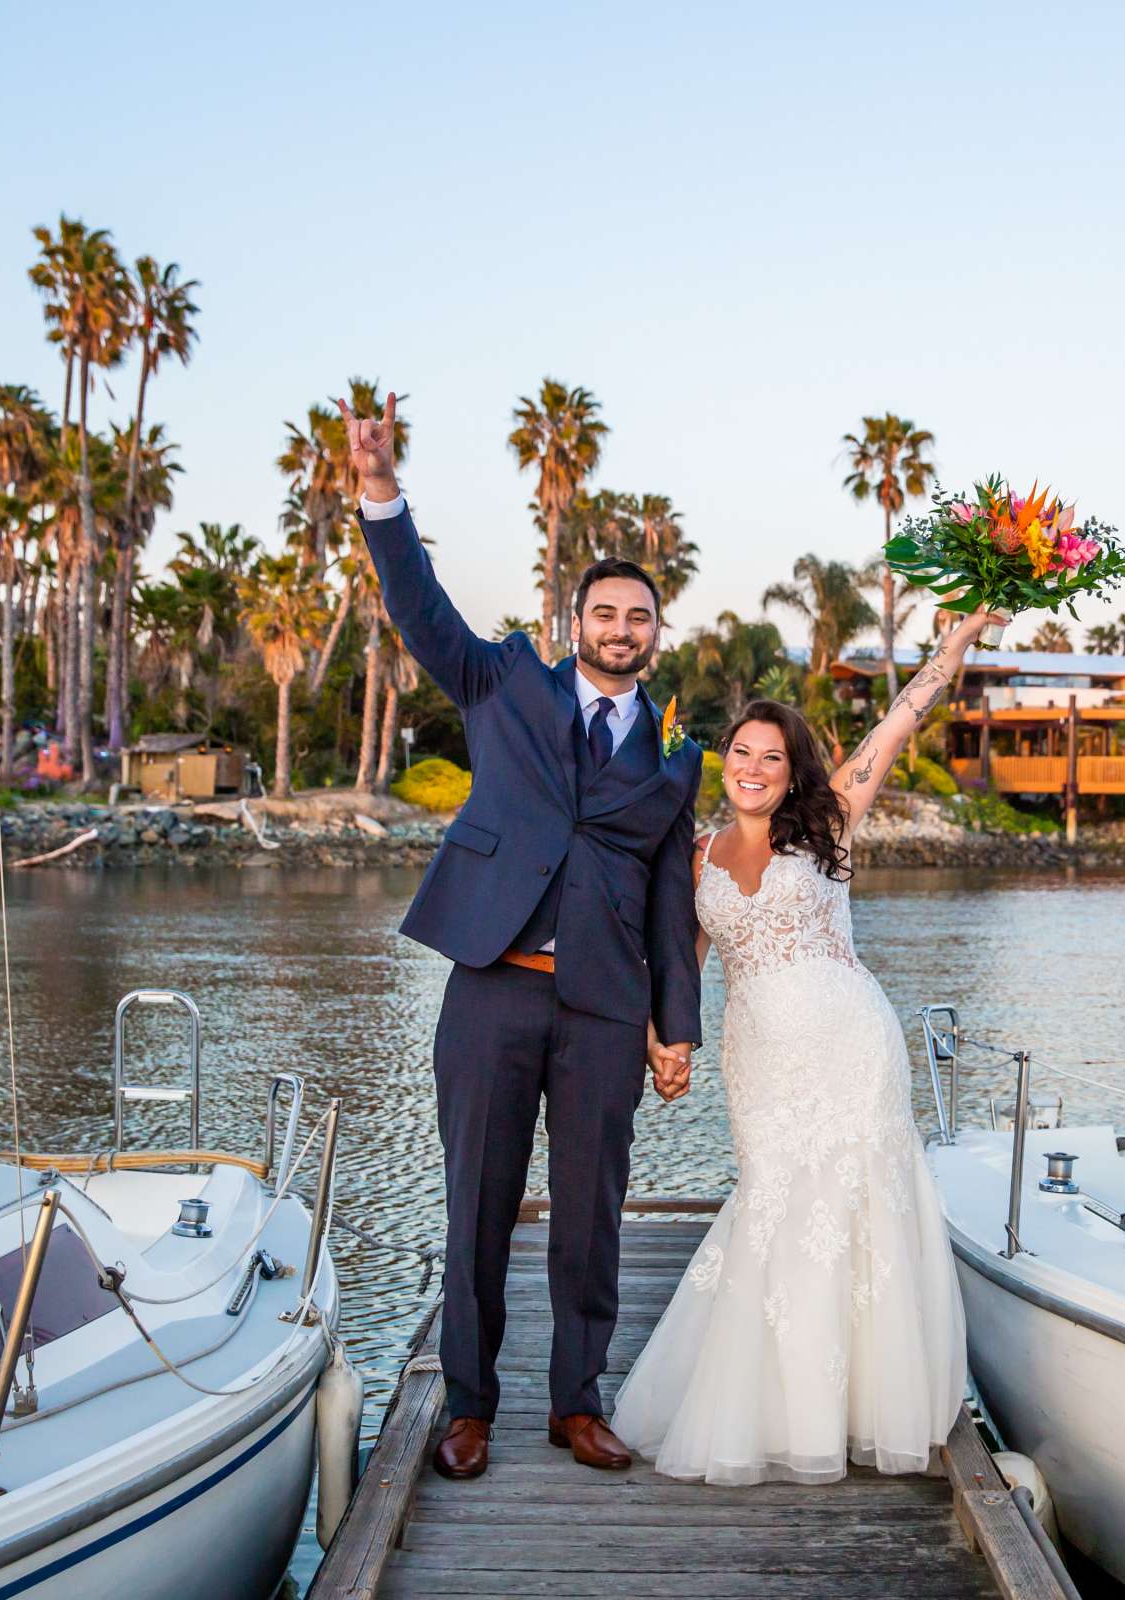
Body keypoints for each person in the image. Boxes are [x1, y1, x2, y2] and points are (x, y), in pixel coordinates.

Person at [344, 394, 705, 1482]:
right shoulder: (503, 684)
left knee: (591, 1215)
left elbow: (668, 906)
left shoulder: (673, 761)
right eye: (605, 613)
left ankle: (575, 1404)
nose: (621, 629)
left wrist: (673, 1027)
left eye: (639, 617)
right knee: (477, 1209)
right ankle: (468, 1405)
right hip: (493, 988)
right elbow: (421, 610)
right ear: (575, 622)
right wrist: (379, 493)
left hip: (603, 1005)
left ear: (655, 634)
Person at [609, 607, 1002, 1485]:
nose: (753, 768)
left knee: (858, 1202)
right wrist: (661, 1044)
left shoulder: (831, 822)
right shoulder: (696, 855)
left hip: (851, 1042)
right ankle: (780, 1407)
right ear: (725, 762)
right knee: (777, 1202)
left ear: (793, 773)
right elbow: (683, 961)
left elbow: (900, 722)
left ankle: (865, 1408)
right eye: (741, 753)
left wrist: (956, 645)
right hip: (761, 1054)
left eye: (771, 757)